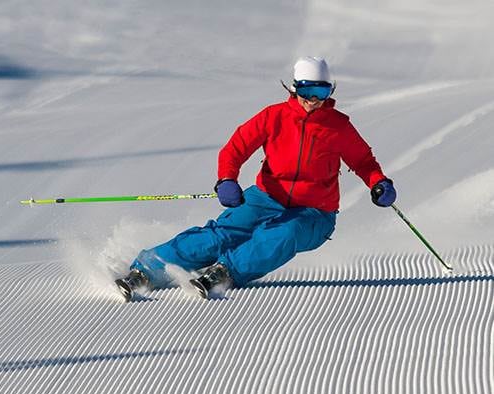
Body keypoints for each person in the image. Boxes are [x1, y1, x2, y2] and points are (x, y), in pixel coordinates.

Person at [115, 56, 397, 301]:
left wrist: (379, 183)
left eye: (321, 91)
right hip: (266, 197)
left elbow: (363, 161)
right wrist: (227, 179)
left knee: (281, 233)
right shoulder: (274, 117)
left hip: (315, 213)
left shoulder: (338, 127)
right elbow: (235, 148)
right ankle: (145, 271)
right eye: (307, 89)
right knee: (220, 235)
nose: (313, 99)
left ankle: (225, 272)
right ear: (294, 87)